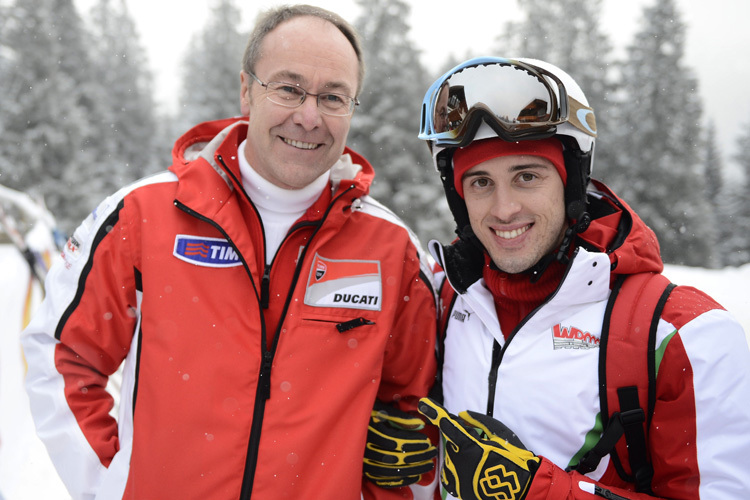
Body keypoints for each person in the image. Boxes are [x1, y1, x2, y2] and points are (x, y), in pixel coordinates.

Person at [21, 5, 437, 500]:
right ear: (246, 90)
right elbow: (61, 354)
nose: (309, 117)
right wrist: (112, 486)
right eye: (288, 88)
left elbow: (417, 416)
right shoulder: (145, 214)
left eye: (333, 97)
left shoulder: (392, 251)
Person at [413, 56, 750, 499]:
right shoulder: (449, 303)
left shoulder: (683, 335)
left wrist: (539, 493)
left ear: (572, 182)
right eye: (480, 183)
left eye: (526, 176)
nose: (503, 208)